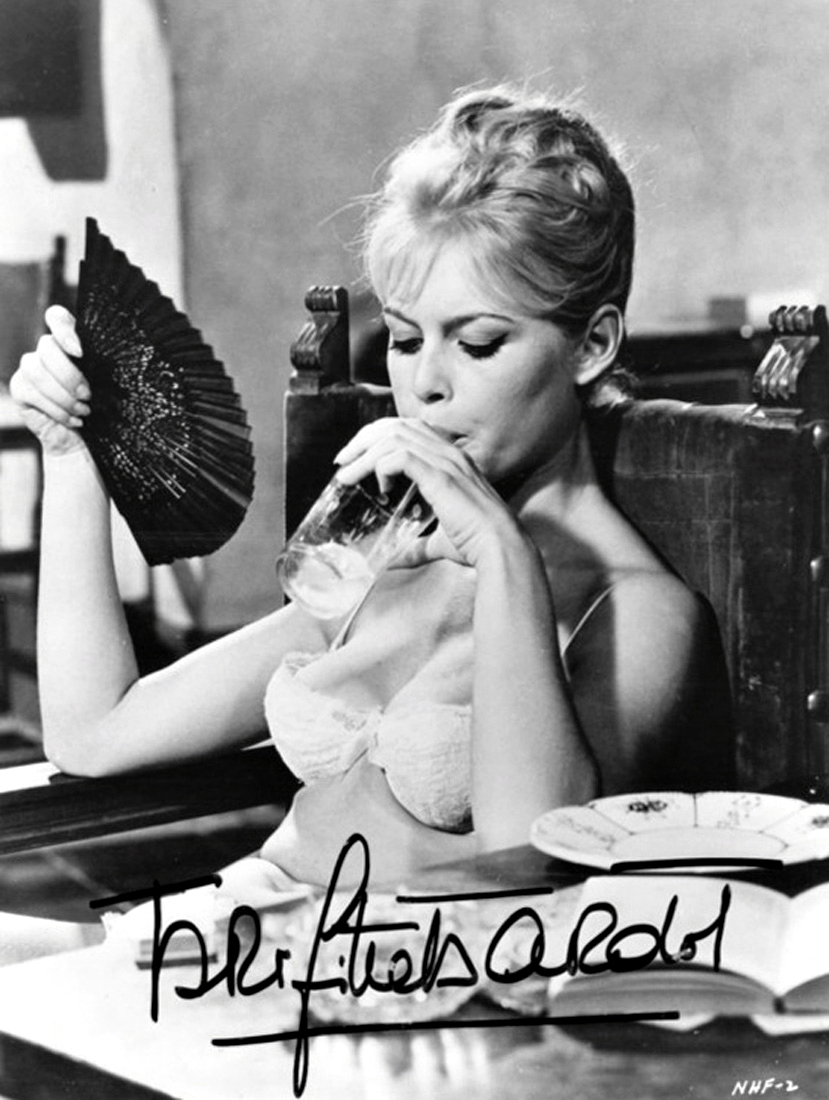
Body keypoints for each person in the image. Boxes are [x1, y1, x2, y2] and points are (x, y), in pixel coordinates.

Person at [8, 84, 724, 923]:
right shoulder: (386, 555)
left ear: (591, 344)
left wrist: (501, 554)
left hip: (414, 976)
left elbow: (528, 870)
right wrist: (73, 455)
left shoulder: (639, 610)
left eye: (479, 343)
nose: (425, 385)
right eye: (406, 339)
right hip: (244, 926)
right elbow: (96, 734)